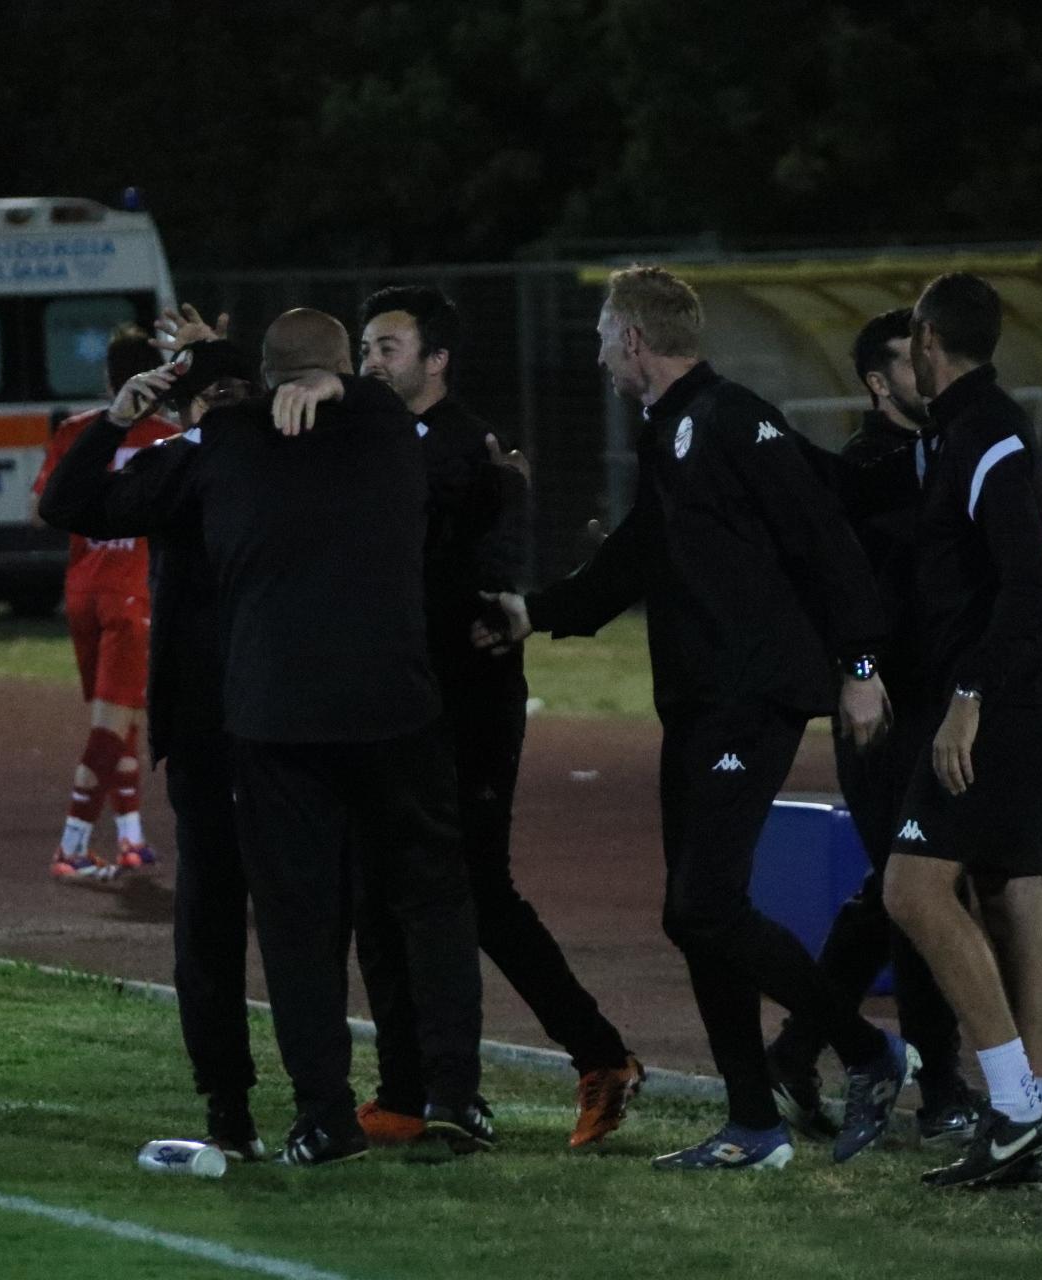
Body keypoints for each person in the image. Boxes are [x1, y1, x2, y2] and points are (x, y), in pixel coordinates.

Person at [44, 309, 487, 1168]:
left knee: (291, 923)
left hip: (267, 723)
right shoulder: (384, 428)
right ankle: (448, 1095)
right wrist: (332, 387)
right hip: (391, 710)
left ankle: (316, 1113)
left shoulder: (218, 447)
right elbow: (410, 425)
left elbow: (70, 503)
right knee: (423, 904)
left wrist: (121, 418)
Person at [478, 265, 896, 1172]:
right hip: (702, 703)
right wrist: (533, 613)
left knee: (704, 905)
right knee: (698, 916)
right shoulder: (671, 429)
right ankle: (752, 1124)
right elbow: (635, 556)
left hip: (753, 699)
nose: (598, 355)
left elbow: (823, 537)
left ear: (633, 339)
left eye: (603, 337)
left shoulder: (732, 417)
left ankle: (867, 1052)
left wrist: (861, 667)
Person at [352, 284, 644, 1150]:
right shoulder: (372, 441)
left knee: (475, 891)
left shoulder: (470, 451)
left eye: (388, 347)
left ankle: (599, 1057)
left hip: (465, 703)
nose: (371, 362)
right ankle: (405, 1089)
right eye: (365, 348)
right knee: (381, 892)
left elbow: (488, 574)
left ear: (436, 360)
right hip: (392, 705)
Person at [42, 319, 268, 1160]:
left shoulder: (177, 464)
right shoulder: (311, 453)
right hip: (295, 721)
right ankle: (335, 1106)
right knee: (309, 913)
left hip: (213, 724)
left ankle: (231, 1111)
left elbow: (63, 505)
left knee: (211, 927)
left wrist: (117, 418)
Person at [872, 273, 1042, 1191]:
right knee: (1012, 896)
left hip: (1000, 702)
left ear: (926, 339)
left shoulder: (986, 432)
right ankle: (1035, 1121)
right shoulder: (965, 430)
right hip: (1019, 696)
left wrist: (967, 695)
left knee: (913, 891)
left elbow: (1029, 589)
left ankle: (1017, 1107)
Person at [765, 307, 982, 1149]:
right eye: (908, 360)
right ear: (876, 382)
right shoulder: (865, 471)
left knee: (895, 890)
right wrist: (861, 675)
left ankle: (793, 1052)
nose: (927, 371)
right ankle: (942, 1090)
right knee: (923, 891)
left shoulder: (940, 455)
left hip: (935, 702)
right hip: (887, 708)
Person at [28, 324, 178, 881]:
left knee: (120, 713)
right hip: (132, 595)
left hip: (83, 591)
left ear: (108, 378)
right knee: (114, 721)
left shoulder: (76, 431)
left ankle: (132, 836)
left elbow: (39, 510)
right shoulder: (168, 437)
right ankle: (72, 844)